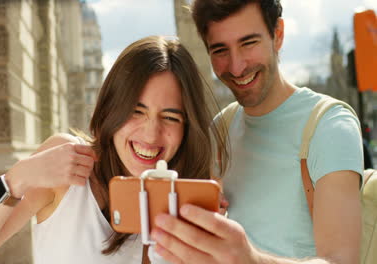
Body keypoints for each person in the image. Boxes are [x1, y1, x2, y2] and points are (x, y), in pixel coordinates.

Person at [0, 36, 228, 263]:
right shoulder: (67, 165)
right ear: (112, 108)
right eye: (136, 111)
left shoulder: (187, 197)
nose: (151, 134)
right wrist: (17, 178)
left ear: (187, 126)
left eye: (170, 117)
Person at [150, 1, 363, 264]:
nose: (237, 67)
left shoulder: (329, 125)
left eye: (248, 43)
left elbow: (342, 260)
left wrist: (251, 260)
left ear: (278, 34)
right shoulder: (221, 128)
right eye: (220, 50)